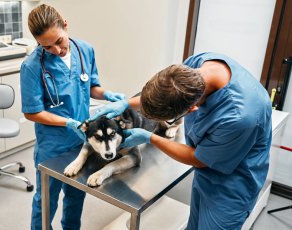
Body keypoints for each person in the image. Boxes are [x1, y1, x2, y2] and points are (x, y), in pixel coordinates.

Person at [90, 52, 272, 229]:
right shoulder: (195, 66)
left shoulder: (239, 117)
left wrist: (149, 137)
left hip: (230, 189)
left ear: (192, 109)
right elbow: (166, 92)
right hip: (206, 176)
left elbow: (199, 159)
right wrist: (127, 103)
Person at [20, 4, 126, 230]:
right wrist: (68, 122)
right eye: (46, 47)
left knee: (76, 197)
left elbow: (91, 86)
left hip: (82, 142)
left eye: (59, 41)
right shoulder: (31, 67)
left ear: (65, 25)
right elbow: (31, 112)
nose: (56, 50)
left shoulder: (85, 50)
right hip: (53, 144)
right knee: (45, 200)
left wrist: (106, 94)